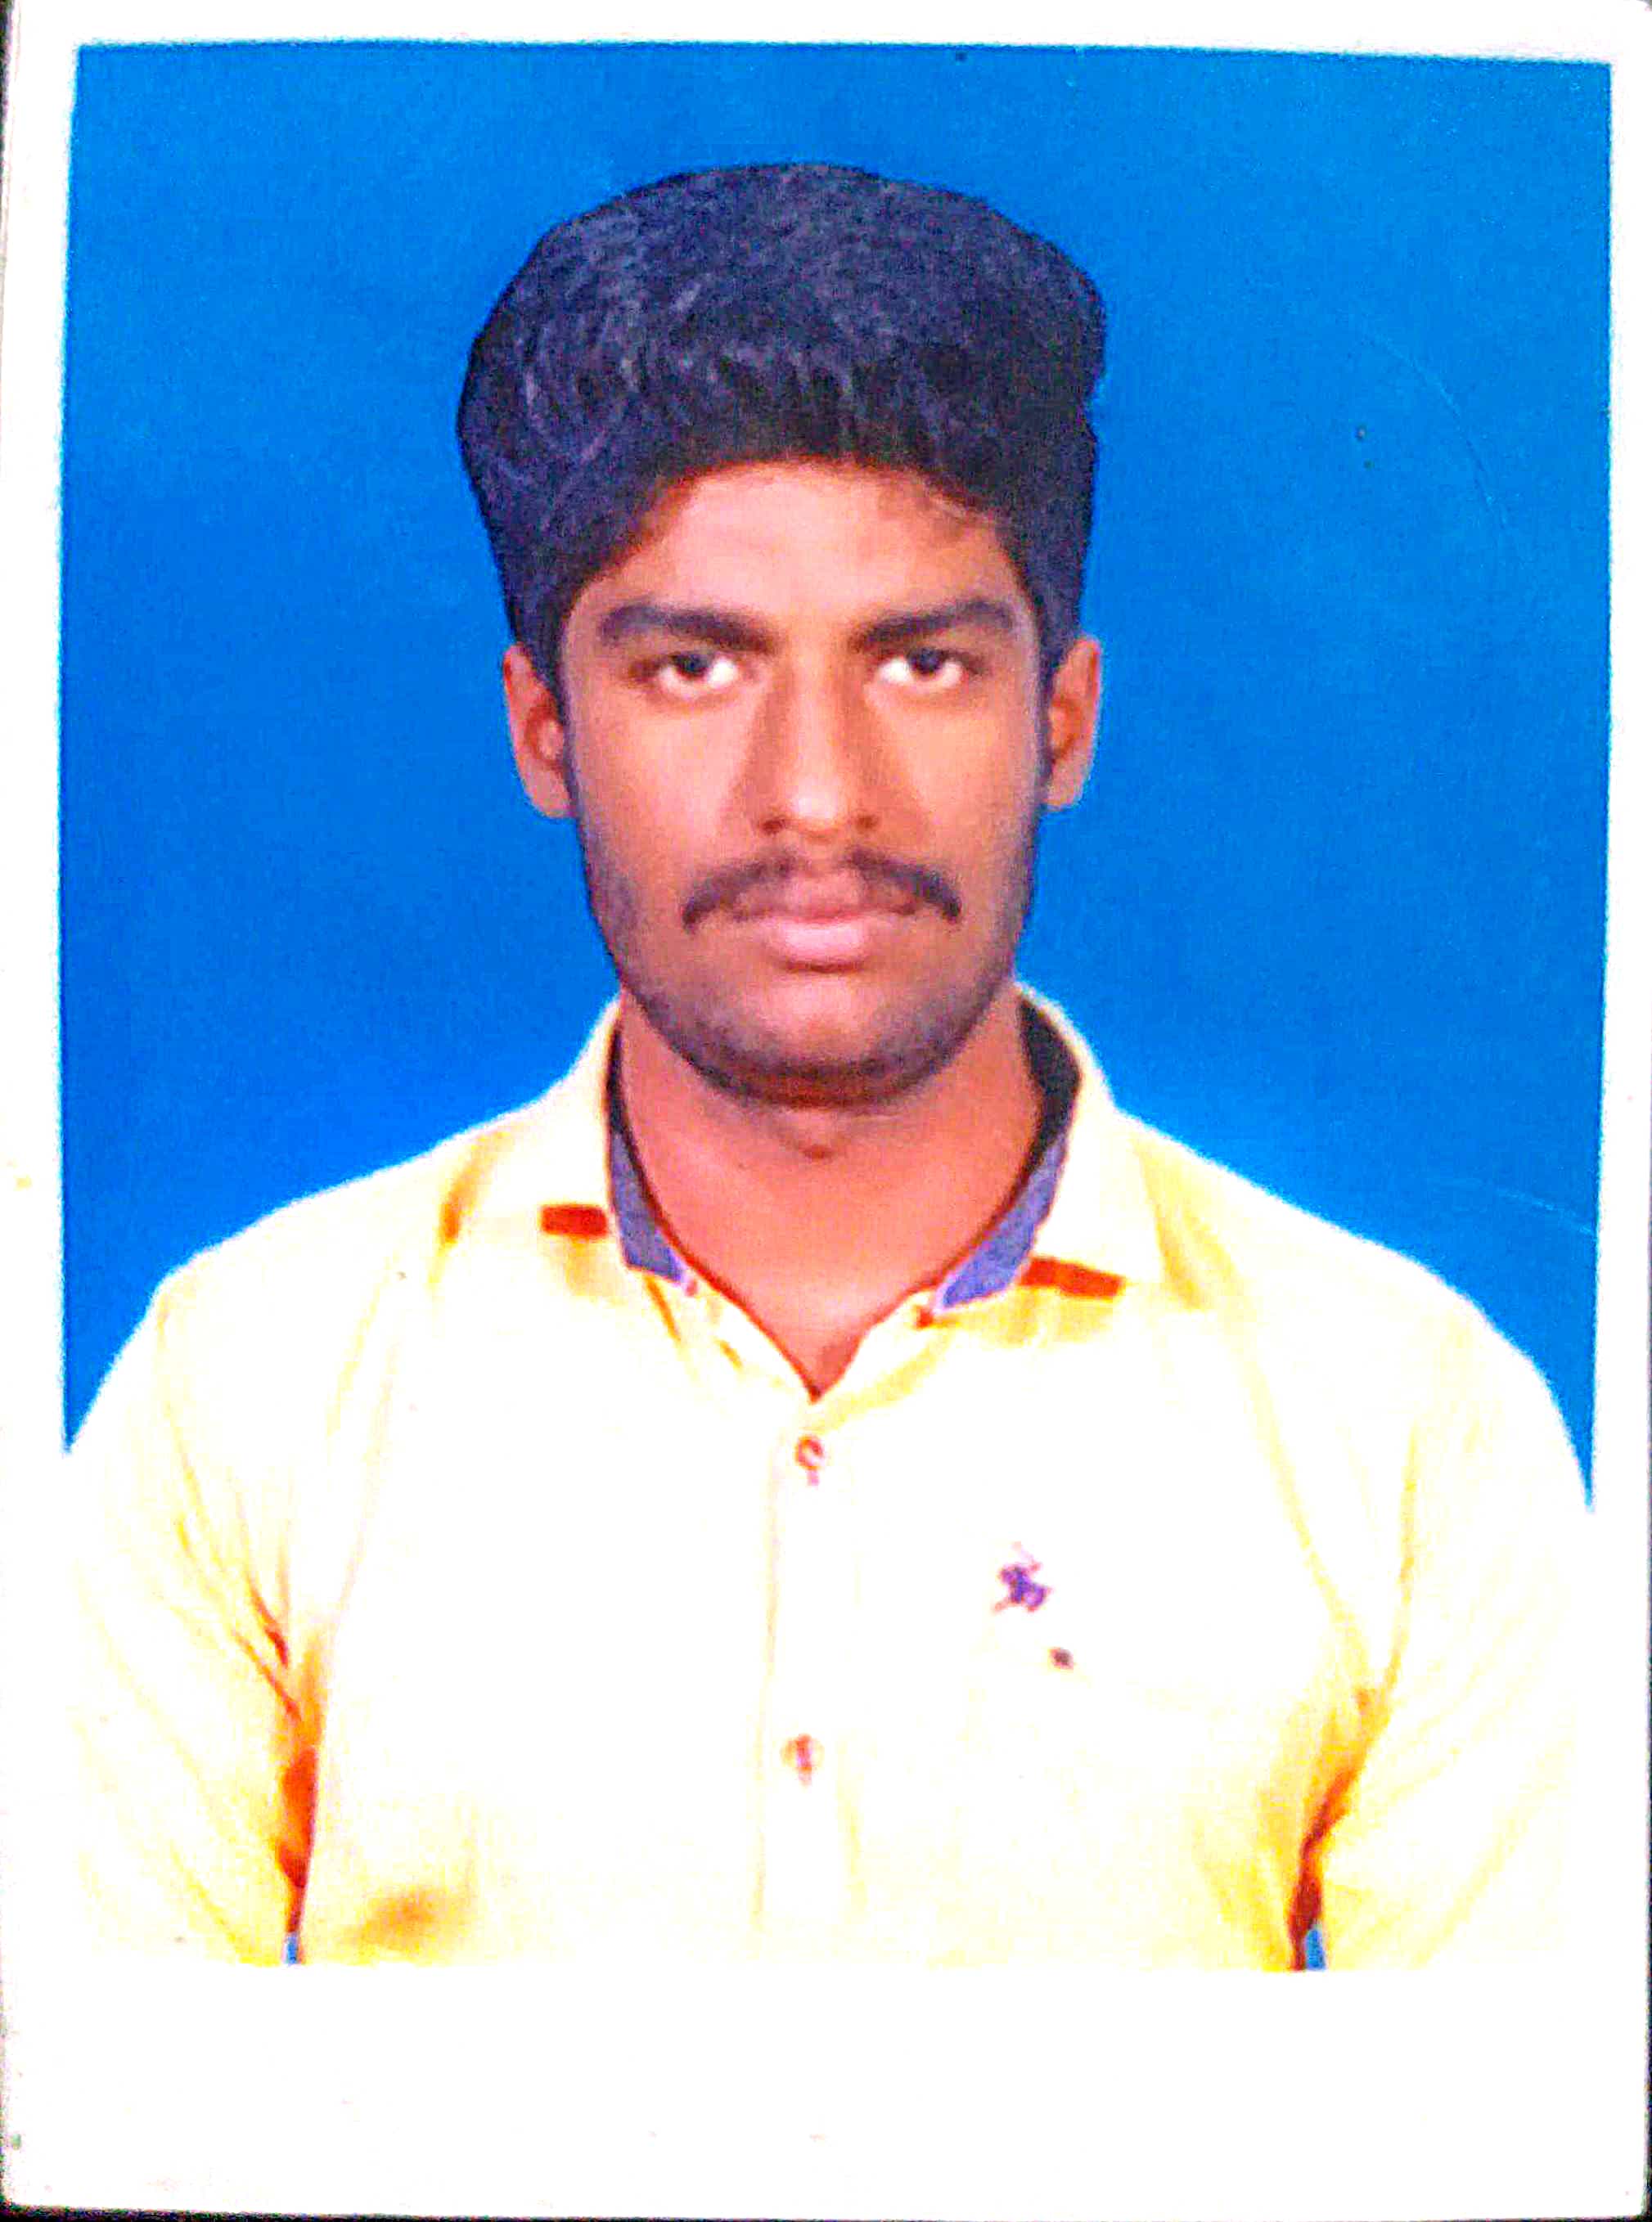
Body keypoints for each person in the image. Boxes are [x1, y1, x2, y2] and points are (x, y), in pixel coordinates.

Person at [49, 163, 1584, 1968]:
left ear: (1060, 717)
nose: (817, 797)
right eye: (694, 667)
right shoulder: (244, 1387)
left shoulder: (1405, 1424)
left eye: (920, 663)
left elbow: (1499, 2116)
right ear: (545, 729)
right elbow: (96, 2094)